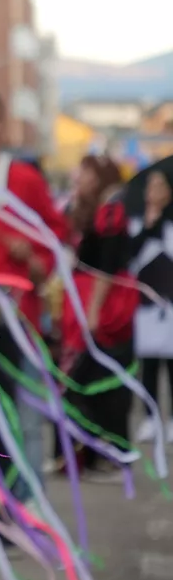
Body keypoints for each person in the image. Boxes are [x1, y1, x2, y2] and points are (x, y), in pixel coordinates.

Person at [0, 89, 67, 502]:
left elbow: (58, 235)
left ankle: (18, 505)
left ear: (3, 125)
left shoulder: (23, 178)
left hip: (13, 316)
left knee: (15, 412)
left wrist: (33, 256)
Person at [62, 156, 138, 476]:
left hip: (101, 302)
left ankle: (110, 452)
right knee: (85, 377)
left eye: (86, 173)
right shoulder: (90, 207)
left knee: (102, 377)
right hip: (84, 298)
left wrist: (92, 311)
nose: (80, 178)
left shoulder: (112, 210)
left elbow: (107, 267)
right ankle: (88, 454)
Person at [130, 169, 173, 442]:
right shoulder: (136, 223)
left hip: (169, 306)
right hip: (144, 305)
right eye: (150, 186)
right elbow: (131, 256)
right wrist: (148, 225)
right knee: (149, 365)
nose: (153, 191)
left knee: (171, 365)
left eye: (160, 186)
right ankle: (150, 418)